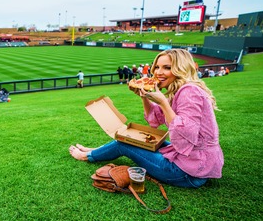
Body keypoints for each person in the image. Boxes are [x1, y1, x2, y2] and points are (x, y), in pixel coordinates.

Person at [69, 49, 224, 188]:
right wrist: (144, 97)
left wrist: (163, 101)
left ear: (180, 69)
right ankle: (95, 151)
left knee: (125, 144)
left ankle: (86, 156)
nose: (158, 72)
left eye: (167, 67)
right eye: (156, 67)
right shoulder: (179, 91)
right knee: (132, 138)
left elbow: (185, 134)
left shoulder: (188, 91)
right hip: (193, 161)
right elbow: (155, 120)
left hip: (188, 172)